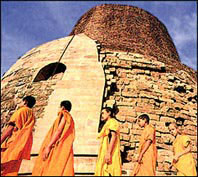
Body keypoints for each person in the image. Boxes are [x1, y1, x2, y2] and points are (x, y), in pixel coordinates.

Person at [32, 100, 75, 176]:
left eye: (59, 107)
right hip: (65, 148)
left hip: (57, 147)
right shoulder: (71, 119)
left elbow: (59, 130)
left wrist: (48, 146)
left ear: (62, 107)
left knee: (49, 167)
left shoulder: (64, 115)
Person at [1, 96, 36, 176]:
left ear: (25, 102)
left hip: (11, 143)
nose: (19, 103)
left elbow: (11, 128)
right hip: (21, 145)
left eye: (21, 101)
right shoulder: (32, 115)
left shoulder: (21, 111)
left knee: (4, 168)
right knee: (12, 170)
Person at [95, 107, 122, 176]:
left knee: (109, 171)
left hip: (111, 153)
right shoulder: (108, 123)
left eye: (103, 113)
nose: (101, 115)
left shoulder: (113, 122)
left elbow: (113, 136)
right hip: (105, 151)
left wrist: (108, 153)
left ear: (109, 113)